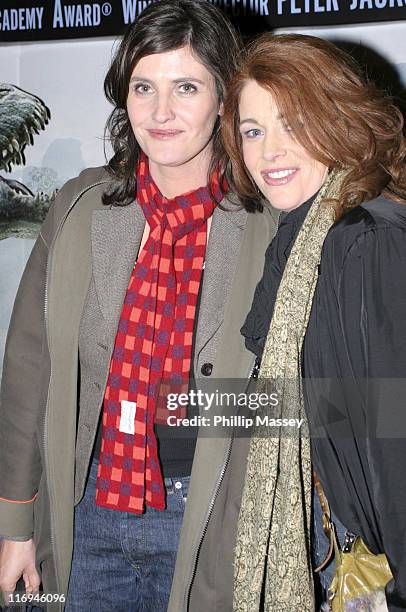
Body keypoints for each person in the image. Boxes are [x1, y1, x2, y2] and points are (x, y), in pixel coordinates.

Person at [0, 3, 282, 611]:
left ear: (224, 97)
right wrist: (15, 523)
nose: (161, 112)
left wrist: (185, 403)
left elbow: (306, 399)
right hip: (88, 507)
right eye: (143, 87)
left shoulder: (269, 221)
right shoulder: (81, 208)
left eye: (186, 87)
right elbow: (31, 371)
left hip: (213, 519)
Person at [219, 33, 406, 611]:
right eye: (253, 131)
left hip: (374, 567)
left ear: (339, 119)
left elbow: (392, 434)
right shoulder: (300, 236)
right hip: (329, 548)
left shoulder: (363, 241)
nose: (269, 151)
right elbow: (321, 402)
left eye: (293, 124)